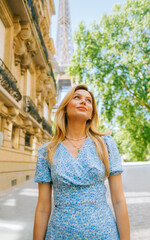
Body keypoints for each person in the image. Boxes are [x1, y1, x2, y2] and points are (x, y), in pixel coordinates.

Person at [33, 84, 130, 240]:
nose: (84, 102)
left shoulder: (105, 144)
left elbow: (118, 200)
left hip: (104, 233)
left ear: (91, 114)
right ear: (65, 108)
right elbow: (43, 208)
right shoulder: (47, 151)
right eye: (77, 97)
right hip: (60, 234)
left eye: (89, 100)